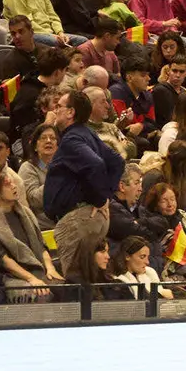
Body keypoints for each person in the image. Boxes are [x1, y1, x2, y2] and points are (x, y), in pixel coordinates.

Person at [46, 90, 126, 278]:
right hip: (91, 218)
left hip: (79, 220)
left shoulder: (72, 139)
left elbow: (95, 164)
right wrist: (106, 196)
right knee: (90, 279)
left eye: (59, 106)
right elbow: (117, 161)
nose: (55, 110)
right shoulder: (87, 134)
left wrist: (100, 199)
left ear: (70, 112)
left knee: (75, 283)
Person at [0, 172, 63, 303]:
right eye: (7, 184)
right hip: (13, 276)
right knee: (42, 295)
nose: (14, 186)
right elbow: (5, 262)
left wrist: (50, 268)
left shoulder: (25, 212)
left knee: (70, 284)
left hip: (38, 265)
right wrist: (31, 279)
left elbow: (41, 245)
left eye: (12, 182)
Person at [110, 235, 172, 300]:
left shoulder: (149, 272)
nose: (147, 262)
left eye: (148, 257)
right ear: (127, 256)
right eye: (142, 257)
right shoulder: (118, 281)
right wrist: (161, 295)